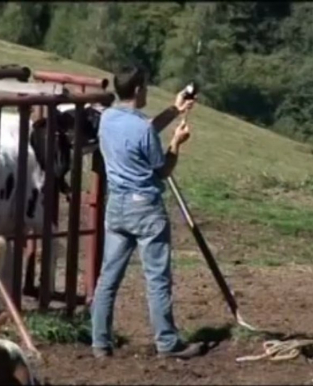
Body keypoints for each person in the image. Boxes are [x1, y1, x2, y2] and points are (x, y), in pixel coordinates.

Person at [91, 65, 204, 359]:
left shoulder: (107, 119)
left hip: (116, 207)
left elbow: (141, 133)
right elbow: (163, 168)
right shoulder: (141, 128)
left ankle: (100, 342)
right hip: (146, 209)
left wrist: (174, 110)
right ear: (139, 90)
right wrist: (176, 144)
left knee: (108, 278)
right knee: (157, 278)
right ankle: (167, 342)